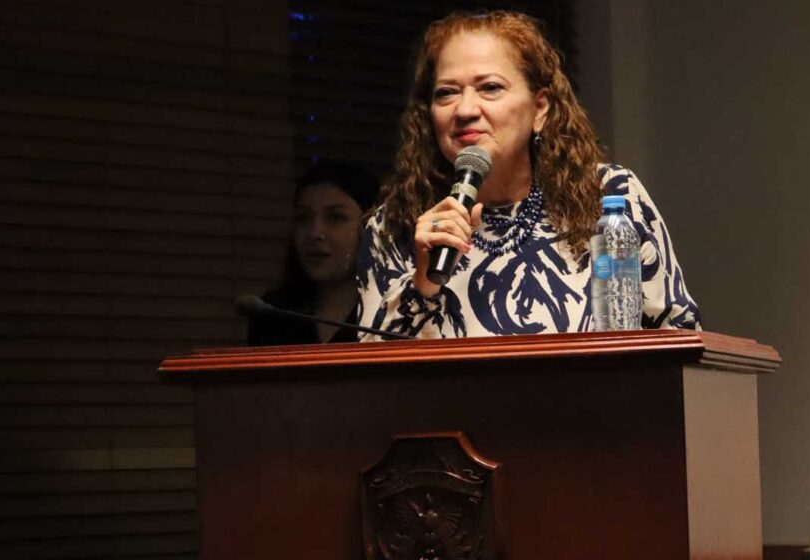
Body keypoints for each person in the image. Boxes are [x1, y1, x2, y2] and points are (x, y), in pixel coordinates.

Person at [357, 10, 700, 340]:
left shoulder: (608, 196)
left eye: (490, 87)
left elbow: (680, 336)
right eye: (446, 93)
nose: (464, 110)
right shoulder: (395, 224)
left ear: (539, 109)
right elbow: (369, 371)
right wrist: (422, 284)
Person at [248, 159, 380, 346]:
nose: (314, 233)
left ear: (371, 227)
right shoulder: (272, 313)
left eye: (335, 218)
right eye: (303, 218)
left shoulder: (391, 314)